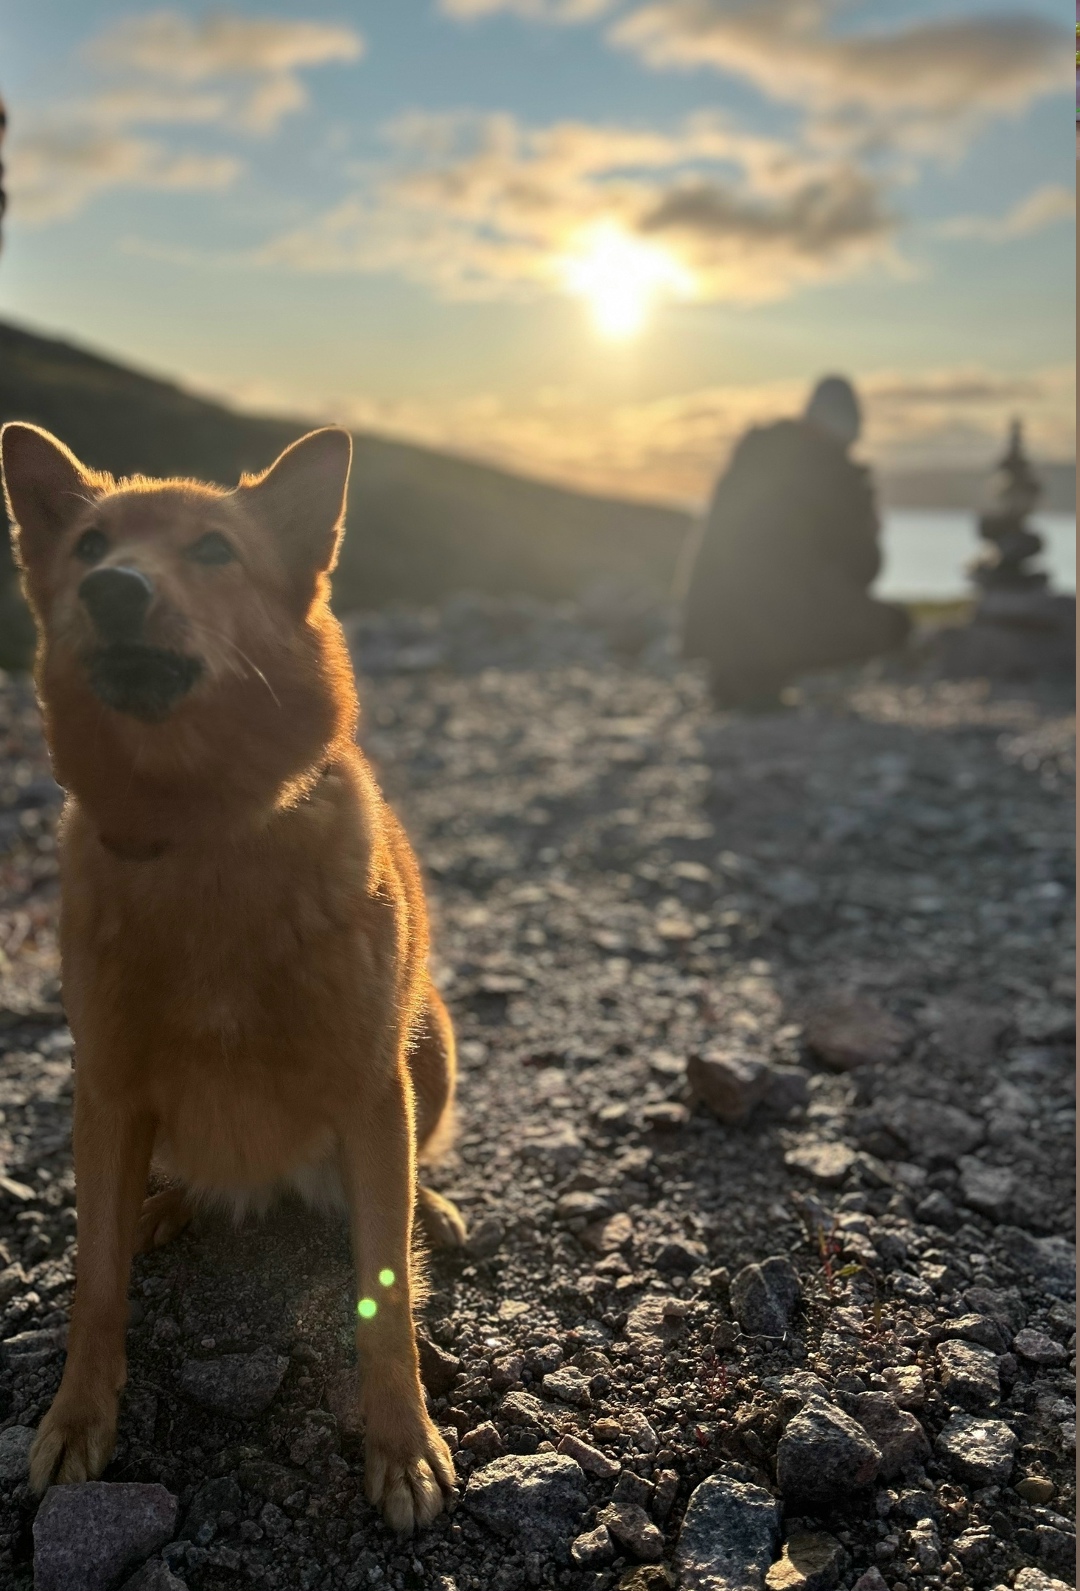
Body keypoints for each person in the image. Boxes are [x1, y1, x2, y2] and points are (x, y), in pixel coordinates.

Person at [681, 375, 910, 708]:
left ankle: (744, 675)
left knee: (779, 589)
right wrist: (869, 525)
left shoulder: (759, 453)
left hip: (712, 632)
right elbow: (862, 567)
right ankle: (763, 672)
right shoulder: (831, 473)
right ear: (849, 429)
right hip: (767, 626)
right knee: (895, 624)